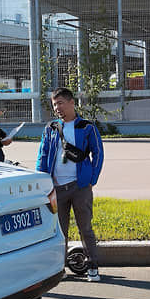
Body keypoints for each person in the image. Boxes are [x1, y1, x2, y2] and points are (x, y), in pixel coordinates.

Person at [36, 87, 104, 282]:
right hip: (56, 188)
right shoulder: (50, 128)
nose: (57, 108)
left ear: (72, 102)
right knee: (59, 230)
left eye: (60, 103)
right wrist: (42, 182)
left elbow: (98, 153)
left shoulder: (86, 127)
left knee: (85, 228)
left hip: (80, 186)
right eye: (54, 104)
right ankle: (59, 268)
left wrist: (92, 179)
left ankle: (93, 266)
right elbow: (43, 156)